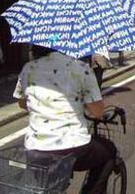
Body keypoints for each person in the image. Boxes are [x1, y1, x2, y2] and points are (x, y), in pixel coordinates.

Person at [14, 45, 116, 194]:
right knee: (109, 151)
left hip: (35, 148)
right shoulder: (80, 68)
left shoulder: (28, 68)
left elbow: (22, 103)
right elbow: (97, 111)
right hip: (73, 146)